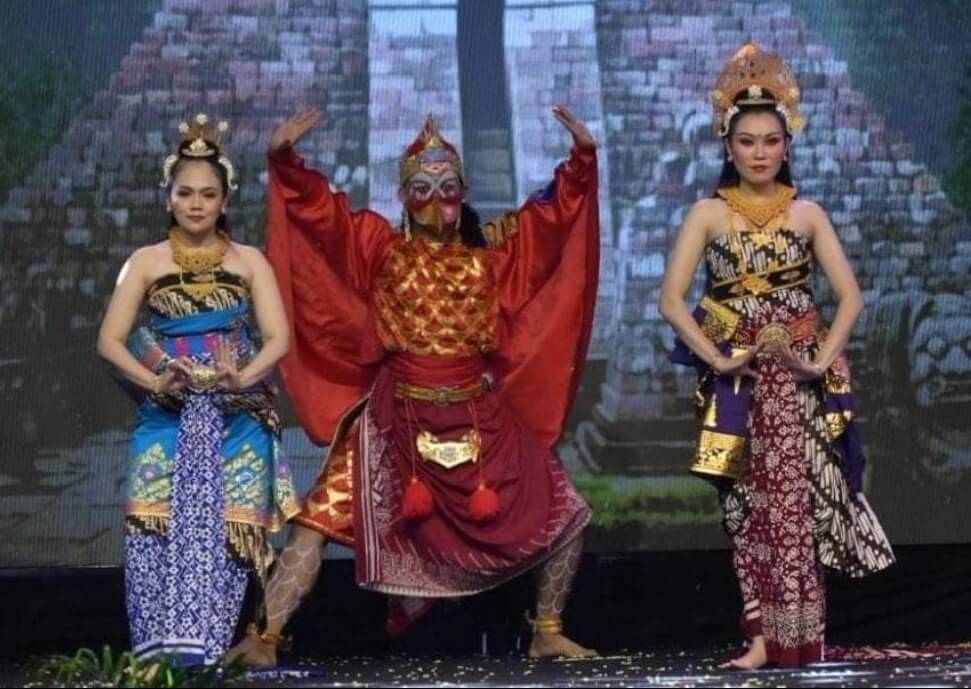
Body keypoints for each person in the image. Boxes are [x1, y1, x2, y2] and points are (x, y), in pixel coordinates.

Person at [227, 104, 600, 665]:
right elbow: (324, 216)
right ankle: (265, 638)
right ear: (403, 196)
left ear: (463, 193)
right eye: (421, 189)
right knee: (316, 521)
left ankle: (546, 629)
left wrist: (581, 161)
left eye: (447, 188)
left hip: (479, 419)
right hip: (392, 420)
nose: (435, 200)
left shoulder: (493, 259)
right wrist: (286, 161)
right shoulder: (379, 249)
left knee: (567, 515)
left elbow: (549, 224)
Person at [659, 44, 895, 668]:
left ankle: (805, 635)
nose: (759, 152)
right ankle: (763, 637)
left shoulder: (807, 214)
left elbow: (850, 298)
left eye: (771, 140)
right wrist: (718, 359)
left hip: (800, 383)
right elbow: (671, 301)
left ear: (788, 145)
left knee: (802, 508)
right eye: (747, 142)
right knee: (744, 509)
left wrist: (818, 362)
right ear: (727, 145)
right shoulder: (708, 215)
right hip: (737, 384)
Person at [96, 114, 301, 665]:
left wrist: (244, 377)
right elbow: (110, 341)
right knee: (153, 528)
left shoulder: (250, 262)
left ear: (224, 200)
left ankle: (203, 659)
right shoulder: (145, 262)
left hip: (237, 415)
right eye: (185, 193)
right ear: (169, 197)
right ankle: (155, 661)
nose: (195, 204)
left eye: (208, 194)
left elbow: (279, 338)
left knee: (228, 533)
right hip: (167, 413)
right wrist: (154, 381)